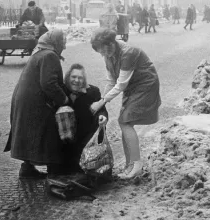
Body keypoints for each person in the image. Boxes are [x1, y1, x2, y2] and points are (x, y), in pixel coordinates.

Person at [89, 28, 161, 179]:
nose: (103, 54)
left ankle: (137, 165)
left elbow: (121, 84)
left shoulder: (128, 53)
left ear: (111, 43)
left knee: (125, 121)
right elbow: (111, 81)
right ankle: (130, 164)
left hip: (145, 85)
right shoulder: (108, 55)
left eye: (104, 50)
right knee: (124, 121)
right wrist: (102, 100)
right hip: (132, 87)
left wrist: (102, 102)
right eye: (100, 52)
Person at [4, 29, 69, 178]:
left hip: (26, 100)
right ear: (55, 43)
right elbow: (49, 84)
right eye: (63, 43)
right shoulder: (49, 56)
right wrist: (64, 100)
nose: (64, 47)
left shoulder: (39, 53)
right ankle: (54, 170)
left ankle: (27, 168)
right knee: (48, 132)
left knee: (30, 132)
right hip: (35, 102)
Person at [62, 63, 108, 173]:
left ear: (84, 80)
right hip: (65, 137)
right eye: (73, 77)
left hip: (85, 137)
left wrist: (102, 116)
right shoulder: (61, 91)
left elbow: (102, 110)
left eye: (80, 77)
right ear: (68, 77)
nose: (76, 80)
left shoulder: (93, 91)